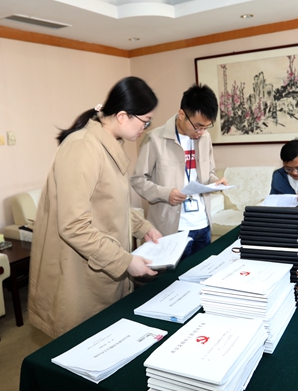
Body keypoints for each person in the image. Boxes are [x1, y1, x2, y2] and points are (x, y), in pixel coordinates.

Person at [28, 77, 162, 338]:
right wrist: (125, 261)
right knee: (82, 343)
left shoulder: (108, 143)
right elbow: (73, 225)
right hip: (78, 271)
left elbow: (110, 204)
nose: (145, 128)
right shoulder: (82, 147)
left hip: (102, 263)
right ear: (122, 116)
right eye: (145, 121)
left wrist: (142, 228)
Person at [131, 84, 226, 258]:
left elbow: (209, 172)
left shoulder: (205, 138)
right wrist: (166, 193)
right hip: (172, 228)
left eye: (206, 127)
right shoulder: (155, 139)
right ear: (182, 114)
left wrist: (215, 182)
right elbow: (138, 180)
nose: (201, 132)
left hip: (203, 225)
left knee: (202, 273)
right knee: (175, 276)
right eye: (198, 126)